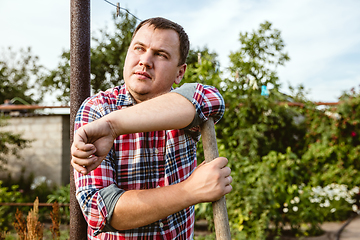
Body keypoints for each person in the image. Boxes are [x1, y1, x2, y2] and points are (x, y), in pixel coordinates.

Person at [71, 17, 232, 239]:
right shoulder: (97, 109)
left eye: (161, 54)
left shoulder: (185, 110)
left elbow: (212, 100)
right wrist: (190, 191)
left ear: (179, 73)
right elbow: (100, 211)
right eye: (139, 48)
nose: (145, 61)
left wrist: (114, 126)